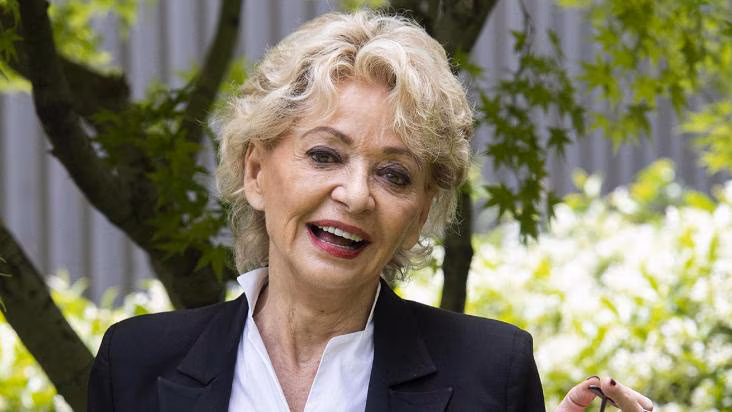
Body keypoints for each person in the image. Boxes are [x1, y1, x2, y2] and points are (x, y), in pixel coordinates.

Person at [87, 10, 654, 412]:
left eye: (394, 174)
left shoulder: (491, 373)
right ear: (255, 171)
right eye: (325, 155)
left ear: (420, 212)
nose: (357, 195)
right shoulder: (135, 363)